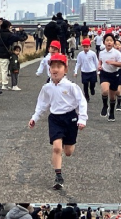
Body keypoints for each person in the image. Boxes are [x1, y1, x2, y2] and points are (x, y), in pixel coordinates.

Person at [29, 54, 88, 190]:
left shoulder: (71, 86)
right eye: (52, 67)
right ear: (49, 69)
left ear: (65, 69)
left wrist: (82, 119)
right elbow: (42, 104)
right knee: (56, 147)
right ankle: (58, 176)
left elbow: (82, 102)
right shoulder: (47, 88)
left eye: (59, 67)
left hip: (70, 118)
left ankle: (68, 144)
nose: (55, 70)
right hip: (55, 119)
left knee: (68, 151)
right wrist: (34, 118)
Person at [98, 34, 121, 122]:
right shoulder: (101, 52)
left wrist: (112, 63)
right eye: (107, 40)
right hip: (104, 73)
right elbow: (100, 61)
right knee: (105, 90)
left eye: (111, 40)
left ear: (113, 43)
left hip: (114, 75)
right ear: (104, 42)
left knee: (112, 96)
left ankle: (112, 112)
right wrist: (99, 66)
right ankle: (105, 106)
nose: (109, 42)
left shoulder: (117, 53)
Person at [74, 38, 98, 102]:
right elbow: (78, 63)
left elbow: (96, 62)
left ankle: (92, 89)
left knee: (93, 83)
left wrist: (98, 70)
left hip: (92, 71)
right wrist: (75, 71)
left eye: (87, 47)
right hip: (84, 72)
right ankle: (87, 97)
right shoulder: (80, 54)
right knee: (85, 84)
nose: (85, 48)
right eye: (84, 47)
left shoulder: (93, 53)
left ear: (90, 46)